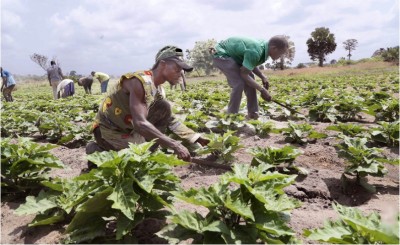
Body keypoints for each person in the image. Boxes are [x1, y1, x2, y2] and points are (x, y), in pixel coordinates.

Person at [86, 45, 209, 164]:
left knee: (163, 107)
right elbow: (140, 124)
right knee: (137, 158)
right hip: (109, 130)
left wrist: (194, 137)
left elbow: (169, 119)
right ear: (162, 64)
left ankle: (143, 151)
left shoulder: (158, 90)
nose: (180, 73)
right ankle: (97, 149)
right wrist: (174, 144)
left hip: (128, 128)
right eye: (177, 69)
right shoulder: (139, 82)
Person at [212, 35, 289, 119]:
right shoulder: (256, 51)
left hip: (233, 55)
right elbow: (244, 74)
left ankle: (253, 113)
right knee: (239, 83)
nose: (281, 56)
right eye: (281, 53)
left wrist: (262, 76)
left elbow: (250, 62)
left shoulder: (263, 48)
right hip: (221, 53)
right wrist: (262, 90)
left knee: (250, 79)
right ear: (274, 48)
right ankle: (231, 116)